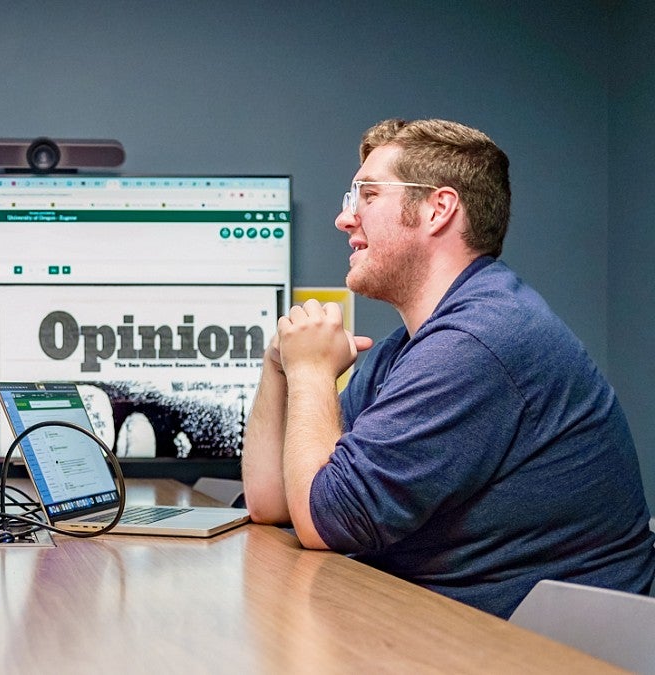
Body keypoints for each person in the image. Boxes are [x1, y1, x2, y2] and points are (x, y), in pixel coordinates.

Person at [241, 118, 655, 618]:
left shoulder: (478, 343)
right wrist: (280, 363)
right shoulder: (411, 348)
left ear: (438, 209)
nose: (344, 219)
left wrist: (311, 372)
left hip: (549, 653)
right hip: (451, 627)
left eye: (367, 196)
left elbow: (325, 520)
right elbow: (271, 503)